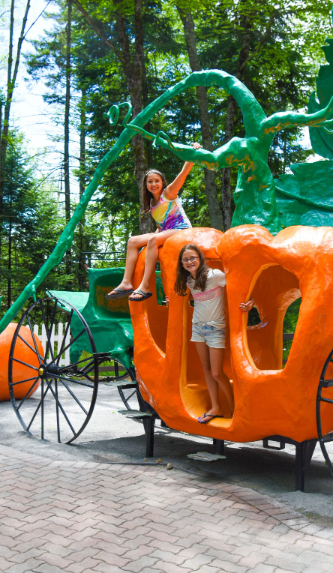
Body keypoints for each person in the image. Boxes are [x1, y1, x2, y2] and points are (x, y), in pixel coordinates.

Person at [107, 143, 201, 302]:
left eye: (157, 181)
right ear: (146, 185)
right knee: (132, 241)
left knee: (152, 240)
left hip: (182, 229)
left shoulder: (169, 193)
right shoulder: (151, 204)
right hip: (167, 231)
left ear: (162, 182)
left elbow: (184, 173)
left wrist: (193, 152)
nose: (153, 184)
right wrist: (151, 241)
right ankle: (126, 282)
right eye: (150, 181)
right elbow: (160, 226)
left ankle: (145, 286)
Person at [173, 243, 253, 424]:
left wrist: (251, 301)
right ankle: (216, 407)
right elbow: (187, 298)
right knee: (207, 370)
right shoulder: (189, 281)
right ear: (182, 263)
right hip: (198, 328)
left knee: (217, 373)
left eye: (193, 258)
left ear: (200, 258)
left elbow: (239, 286)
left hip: (215, 328)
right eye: (185, 259)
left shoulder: (215, 275)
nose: (189, 262)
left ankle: (234, 410)